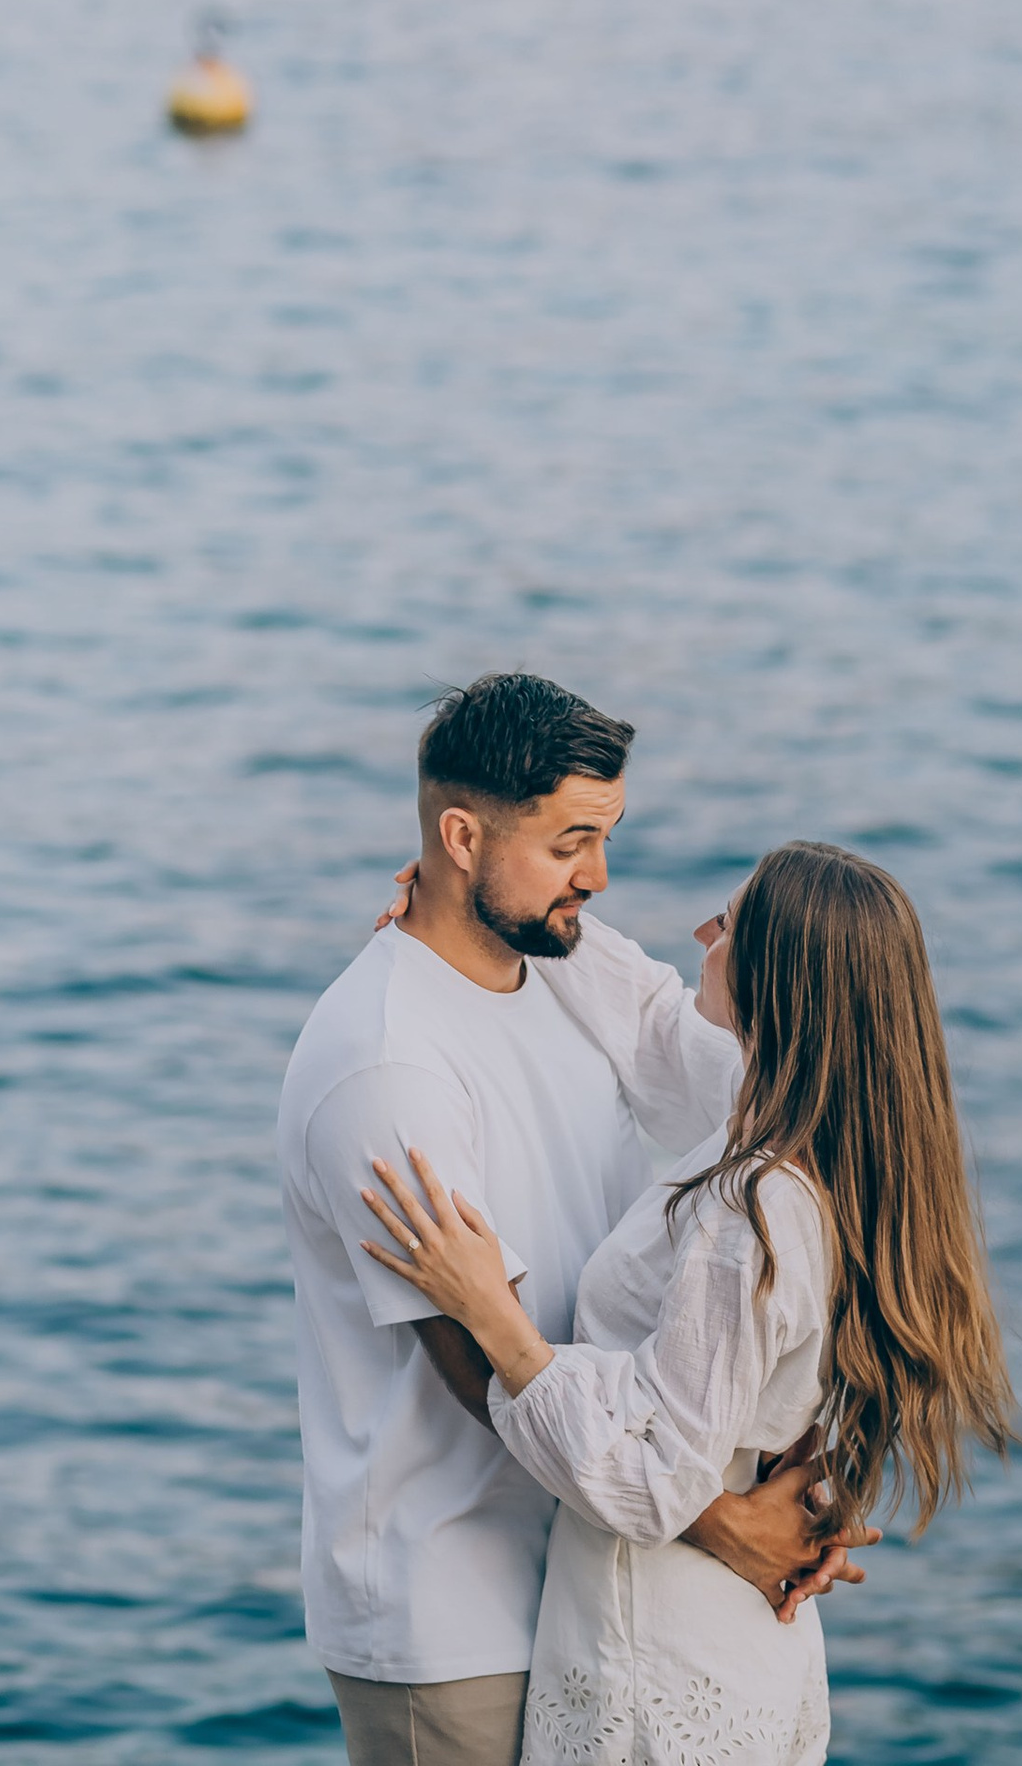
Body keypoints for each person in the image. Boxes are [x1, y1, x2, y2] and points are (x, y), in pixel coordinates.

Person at [278, 678, 860, 1766]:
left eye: (604, 836)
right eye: (568, 844)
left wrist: (799, 1482)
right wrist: (720, 1522)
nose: (596, 875)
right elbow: (467, 1350)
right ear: (463, 836)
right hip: (454, 1611)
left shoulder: (555, 970)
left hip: (597, 1582)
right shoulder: (389, 1063)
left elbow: (744, 1101)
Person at [360, 841, 1019, 1766]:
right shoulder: (831, 1149)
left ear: (774, 986)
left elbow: (656, 1478)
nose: (703, 937)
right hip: (736, 1638)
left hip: (655, 1655)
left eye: (728, 928)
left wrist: (497, 1322)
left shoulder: (749, 1208)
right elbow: (651, 1022)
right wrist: (494, 899)